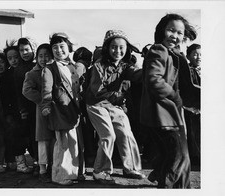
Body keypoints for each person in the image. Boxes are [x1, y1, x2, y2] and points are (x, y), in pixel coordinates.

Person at [140, 13, 197, 188]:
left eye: (180, 33)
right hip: (163, 115)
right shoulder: (159, 50)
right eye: (171, 30)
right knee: (179, 158)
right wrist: (175, 96)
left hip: (170, 115)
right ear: (162, 31)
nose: (175, 36)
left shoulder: (174, 54)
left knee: (173, 157)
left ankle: (173, 184)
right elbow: (154, 81)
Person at [85, 30, 145, 185]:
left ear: (127, 49)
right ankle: (100, 171)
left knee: (125, 132)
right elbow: (97, 90)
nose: (117, 51)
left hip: (113, 104)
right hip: (96, 104)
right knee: (108, 135)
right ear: (106, 48)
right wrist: (119, 98)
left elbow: (138, 75)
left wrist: (152, 69)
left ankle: (130, 168)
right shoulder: (98, 65)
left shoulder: (126, 66)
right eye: (113, 47)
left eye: (121, 47)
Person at [40, 32, 84, 185]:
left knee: (74, 143)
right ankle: (59, 176)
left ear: (69, 47)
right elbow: (46, 90)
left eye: (62, 46)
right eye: (55, 47)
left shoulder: (72, 66)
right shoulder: (49, 69)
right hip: (59, 111)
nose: (58, 50)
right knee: (62, 145)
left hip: (73, 111)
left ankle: (73, 174)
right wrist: (46, 106)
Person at [23, 43, 55, 183]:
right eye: (40, 56)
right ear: (36, 57)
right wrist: (42, 100)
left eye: (47, 55)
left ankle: (54, 168)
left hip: (57, 110)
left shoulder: (55, 70)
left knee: (55, 139)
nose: (43, 59)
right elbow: (26, 90)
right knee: (43, 140)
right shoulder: (32, 73)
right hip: (41, 111)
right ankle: (42, 169)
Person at [2, 40, 34, 173]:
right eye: (10, 58)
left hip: (27, 109)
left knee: (30, 136)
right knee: (17, 137)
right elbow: (5, 97)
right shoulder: (7, 75)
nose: (14, 60)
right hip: (14, 112)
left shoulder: (27, 69)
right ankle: (20, 163)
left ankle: (35, 162)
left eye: (16, 57)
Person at [15, 37, 39, 172]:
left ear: (33, 49)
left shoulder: (38, 66)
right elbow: (18, 92)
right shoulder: (18, 69)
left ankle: (41, 163)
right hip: (26, 109)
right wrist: (22, 109)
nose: (24, 53)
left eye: (27, 49)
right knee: (30, 137)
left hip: (39, 107)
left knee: (39, 136)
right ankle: (36, 162)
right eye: (21, 50)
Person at [184, 44, 201, 166]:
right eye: (195, 54)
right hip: (191, 106)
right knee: (194, 131)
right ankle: (196, 155)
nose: (199, 57)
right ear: (188, 56)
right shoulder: (187, 71)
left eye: (201, 54)